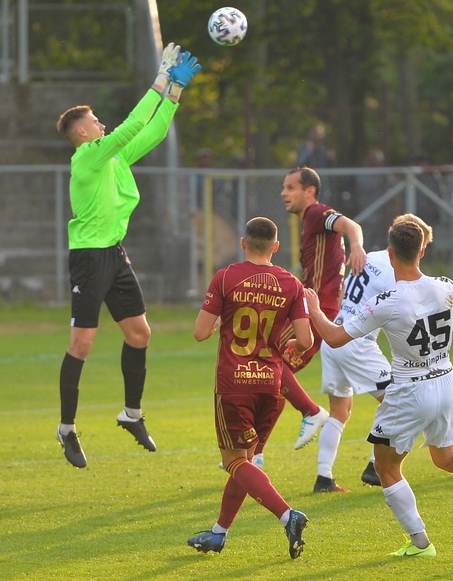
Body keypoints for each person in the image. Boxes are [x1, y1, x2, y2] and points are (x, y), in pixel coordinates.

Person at [305, 219, 453, 557]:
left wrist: (314, 311)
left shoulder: (388, 300)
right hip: (445, 382)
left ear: (390, 252)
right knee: (446, 456)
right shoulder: (445, 286)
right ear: (422, 251)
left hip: (409, 390)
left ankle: (420, 543)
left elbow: (335, 337)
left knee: (386, 467)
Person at [53, 43, 202, 468]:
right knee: (81, 344)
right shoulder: (88, 158)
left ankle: (131, 414)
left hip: (114, 256)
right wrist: (159, 79)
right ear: (82, 133)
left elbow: (150, 132)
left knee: (140, 334)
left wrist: (174, 93)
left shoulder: (113, 157)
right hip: (88, 258)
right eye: (94, 121)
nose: (101, 124)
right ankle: (66, 429)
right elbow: (133, 122)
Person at [188, 217, 312, 559]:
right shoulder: (291, 283)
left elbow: (200, 332)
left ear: (243, 243)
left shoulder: (226, 277)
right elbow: (306, 339)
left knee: (234, 462)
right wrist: (291, 348)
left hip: (234, 384)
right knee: (245, 461)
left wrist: (217, 322)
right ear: (276, 246)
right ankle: (218, 533)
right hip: (271, 387)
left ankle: (288, 515)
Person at [254, 166, 367, 468]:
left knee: (270, 366)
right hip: (307, 308)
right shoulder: (308, 223)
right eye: (284, 187)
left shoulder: (318, 213)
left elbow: (350, 225)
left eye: (290, 187)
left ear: (310, 192)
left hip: (319, 312)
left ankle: (311, 412)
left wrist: (356, 245)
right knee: (276, 376)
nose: (283, 193)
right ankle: (256, 453)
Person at [313, 213, 433, 493]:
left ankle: (323, 477)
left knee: (339, 411)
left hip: (333, 335)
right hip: (355, 343)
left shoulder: (372, 257)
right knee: (399, 401)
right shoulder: (396, 271)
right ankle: (374, 468)